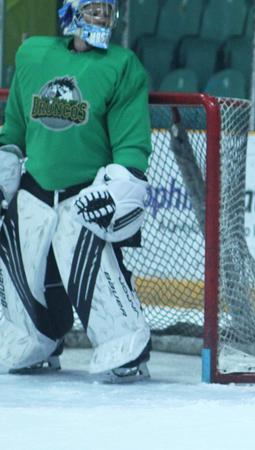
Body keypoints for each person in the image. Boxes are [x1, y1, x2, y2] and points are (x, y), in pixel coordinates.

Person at [0, 0, 152, 382]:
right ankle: (35, 341)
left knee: (93, 267)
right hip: (35, 189)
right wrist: (5, 159)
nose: (102, 16)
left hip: (85, 194)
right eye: (92, 8)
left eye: (106, 9)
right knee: (17, 261)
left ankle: (125, 345)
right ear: (70, 11)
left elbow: (131, 143)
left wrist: (122, 185)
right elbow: (14, 126)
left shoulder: (122, 66)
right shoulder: (33, 55)